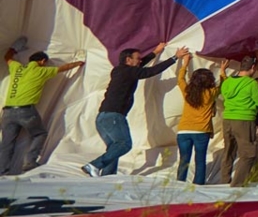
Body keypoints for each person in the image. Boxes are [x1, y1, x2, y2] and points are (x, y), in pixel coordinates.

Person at [83, 42, 174, 177]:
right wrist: (174, 58)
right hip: (114, 116)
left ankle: (107, 176)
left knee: (114, 148)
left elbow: (140, 66)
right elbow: (150, 71)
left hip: (102, 117)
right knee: (124, 144)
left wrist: (155, 52)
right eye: (137, 58)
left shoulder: (119, 70)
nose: (140, 60)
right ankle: (94, 165)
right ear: (128, 60)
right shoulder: (129, 72)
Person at [1, 43, 84, 174]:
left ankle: (2, 171)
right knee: (40, 134)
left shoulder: (17, 68)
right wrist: (80, 62)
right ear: (42, 61)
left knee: (7, 143)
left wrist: (13, 48)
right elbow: (64, 68)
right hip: (26, 111)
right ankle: (30, 162)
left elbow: (7, 57)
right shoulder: (41, 71)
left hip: (7, 112)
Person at [220, 57, 258, 187]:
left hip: (228, 119)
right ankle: (238, 184)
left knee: (229, 151)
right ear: (253, 68)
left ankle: (224, 180)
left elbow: (224, 95)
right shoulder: (252, 84)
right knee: (248, 153)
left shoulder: (227, 82)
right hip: (244, 120)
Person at [173, 49, 218, 185]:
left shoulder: (188, 91)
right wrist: (222, 72)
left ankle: (180, 182)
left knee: (184, 160)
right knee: (200, 160)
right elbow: (223, 85)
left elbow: (180, 79)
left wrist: (185, 63)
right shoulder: (211, 93)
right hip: (201, 131)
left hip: (184, 131)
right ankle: (198, 184)